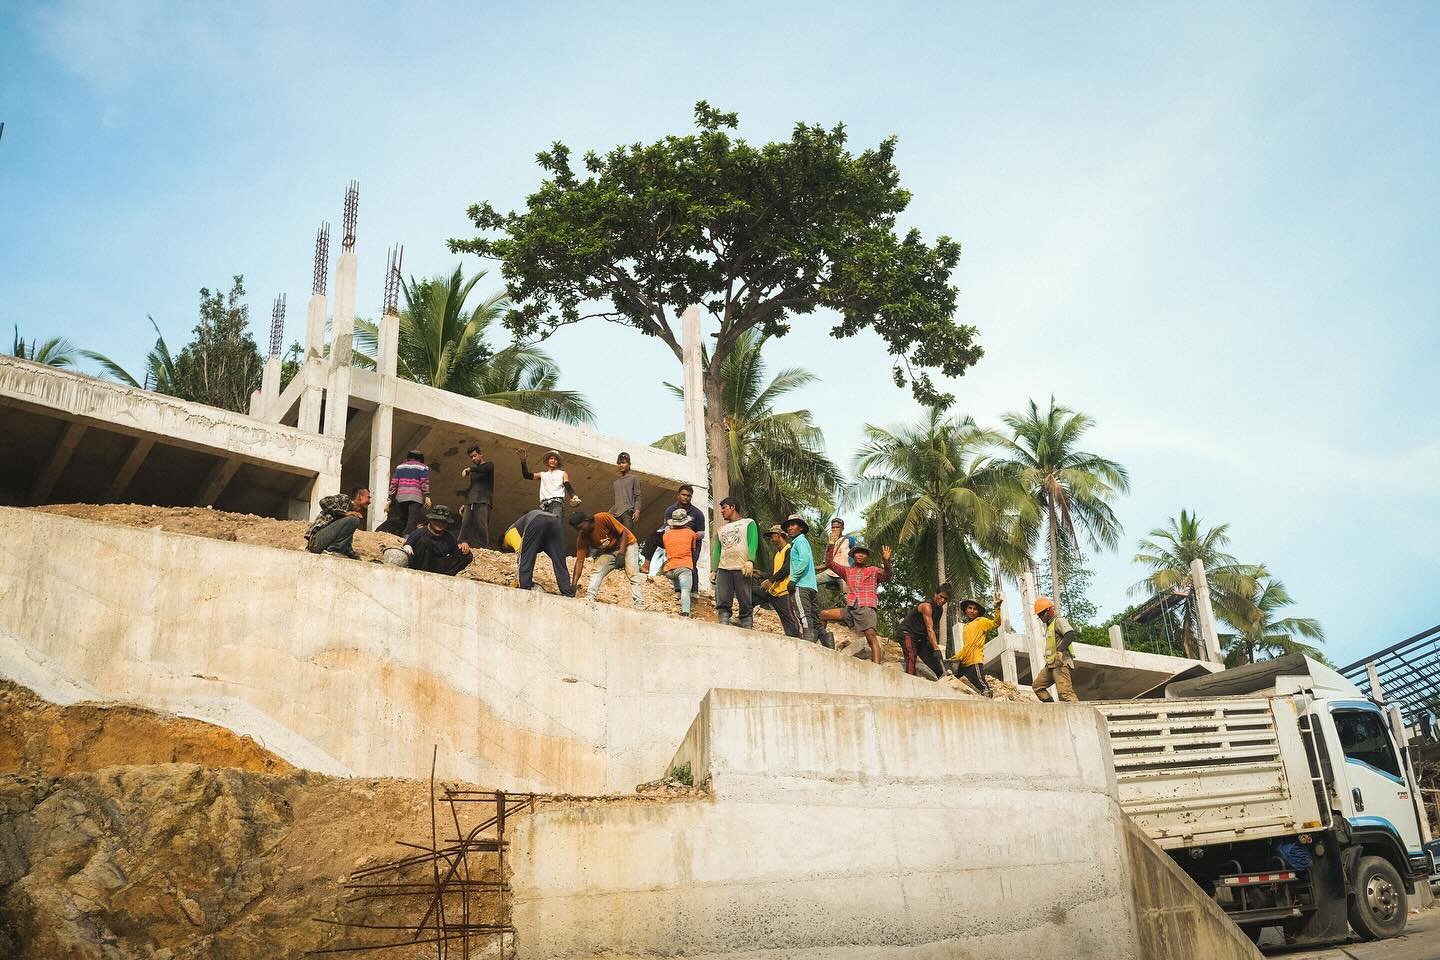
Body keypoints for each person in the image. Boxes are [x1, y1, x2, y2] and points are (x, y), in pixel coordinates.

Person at [820, 544, 893, 663]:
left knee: (870, 636)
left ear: (867, 557)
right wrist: (831, 545)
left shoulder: (873, 570)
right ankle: (824, 647)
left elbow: (888, 576)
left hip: (866, 607)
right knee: (823, 614)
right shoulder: (847, 571)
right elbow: (829, 563)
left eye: (863, 553)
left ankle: (876, 666)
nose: (860, 555)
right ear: (853, 555)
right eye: (858, 552)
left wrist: (886, 561)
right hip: (851, 608)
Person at [570, 510, 644, 610]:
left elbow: (624, 532)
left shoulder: (602, 517)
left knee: (632, 573)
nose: (580, 531)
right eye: (577, 529)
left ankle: (639, 603)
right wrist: (573, 584)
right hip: (611, 550)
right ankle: (590, 596)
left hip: (628, 544)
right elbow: (579, 561)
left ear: (587, 520)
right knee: (597, 569)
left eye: (581, 527)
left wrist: (621, 554)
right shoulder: (583, 537)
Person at [501, 508, 574, 596]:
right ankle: (567, 592)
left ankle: (524, 588)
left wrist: (518, 580)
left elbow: (522, 554)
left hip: (537, 520)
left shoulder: (508, 534)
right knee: (559, 561)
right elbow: (530, 554)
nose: (510, 551)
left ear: (503, 545)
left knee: (525, 556)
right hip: (555, 521)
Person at [710, 497, 758, 628]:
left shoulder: (748, 523)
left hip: (742, 566)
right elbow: (717, 551)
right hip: (724, 567)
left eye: (724, 508)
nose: (722, 511)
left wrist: (750, 560)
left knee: (744, 598)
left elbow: (753, 542)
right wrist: (714, 570)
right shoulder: (721, 529)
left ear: (733, 507)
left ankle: (747, 624)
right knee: (723, 598)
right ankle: (723, 623)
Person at [640, 484, 705, 574]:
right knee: (653, 536)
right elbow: (667, 528)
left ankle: (693, 582)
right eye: (683, 495)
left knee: (691, 566)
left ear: (691, 497)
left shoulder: (698, 513)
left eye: (688, 496)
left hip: (690, 542)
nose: (686, 497)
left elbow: (702, 533)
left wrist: (689, 535)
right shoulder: (670, 510)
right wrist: (674, 536)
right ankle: (646, 566)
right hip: (672, 538)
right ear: (678, 495)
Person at [783, 514, 824, 645]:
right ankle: (827, 644)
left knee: (804, 615)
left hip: (801, 585)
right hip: (811, 586)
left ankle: (808, 644)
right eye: (788, 526)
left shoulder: (799, 541)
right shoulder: (803, 541)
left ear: (800, 527)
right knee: (815, 618)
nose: (789, 528)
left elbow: (804, 560)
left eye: (793, 525)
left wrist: (793, 579)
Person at [756, 524, 802, 638]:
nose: (771, 539)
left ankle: (797, 638)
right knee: (751, 592)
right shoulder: (777, 554)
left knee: (789, 619)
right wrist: (761, 574)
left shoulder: (789, 550)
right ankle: (745, 618)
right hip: (774, 591)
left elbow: (786, 569)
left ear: (777, 535)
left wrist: (770, 580)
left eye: (772, 536)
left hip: (784, 592)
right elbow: (775, 571)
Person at [899, 583, 952, 679]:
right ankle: (910, 681)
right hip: (907, 633)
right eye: (941, 596)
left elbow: (932, 630)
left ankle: (942, 680)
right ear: (936, 594)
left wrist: (934, 649)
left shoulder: (939, 610)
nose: (943, 600)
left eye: (946, 599)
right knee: (911, 656)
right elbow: (929, 629)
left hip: (920, 638)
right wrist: (936, 648)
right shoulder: (927, 606)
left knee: (935, 662)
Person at [952, 594, 1003, 694]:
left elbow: (996, 623)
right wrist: (955, 657)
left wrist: (997, 608)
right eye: (970, 608)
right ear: (965, 610)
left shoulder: (981, 621)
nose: (972, 611)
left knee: (983, 686)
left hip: (974, 661)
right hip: (964, 662)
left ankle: (988, 699)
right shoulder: (966, 626)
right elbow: (966, 646)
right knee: (951, 678)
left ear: (978, 612)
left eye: (975, 609)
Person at [402, 505, 473, 576]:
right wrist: (408, 546)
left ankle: (445, 576)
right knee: (425, 541)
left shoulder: (448, 537)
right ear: (431, 520)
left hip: (437, 565)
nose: (440, 524)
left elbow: (455, 553)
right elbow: (409, 543)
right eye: (437, 520)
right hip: (421, 565)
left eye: (443, 522)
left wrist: (463, 546)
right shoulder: (420, 532)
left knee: (467, 555)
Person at [1031, 597, 1079, 703]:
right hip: (1051, 664)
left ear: (1049, 610)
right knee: (1037, 686)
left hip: (1061, 663)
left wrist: (1060, 652)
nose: (1041, 617)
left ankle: (1079, 712)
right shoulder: (1049, 626)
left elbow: (1070, 634)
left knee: (1065, 693)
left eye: (1042, 614)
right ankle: (1052, 707)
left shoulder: (1058, 621)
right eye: (1039, 615)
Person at [305, 487, 371, 559]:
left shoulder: (348, 519)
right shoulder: (345, 499)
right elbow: (323, 501)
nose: (370, 502)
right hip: (316, 542)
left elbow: (343, 541)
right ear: (360, 497)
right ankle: (335, 551)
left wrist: (354, 556)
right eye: (368, 497)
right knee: (354, 520)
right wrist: (345, 513)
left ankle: (334, 551)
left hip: (325, 544)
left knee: (353, 520)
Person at [660, 508, 701, 617]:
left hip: (669, 570)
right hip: (684, 568)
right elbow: (693, 550)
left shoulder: (665, 535)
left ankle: (676, 590)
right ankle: (685, 613)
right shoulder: (691, 533)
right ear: (686, 522)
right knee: (686, 591)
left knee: (675, 571)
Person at [520, 449, 580, 517]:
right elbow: (526, 475)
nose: (553, 461)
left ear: (558, 462)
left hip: (556, 503)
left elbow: (567, 484)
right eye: (551, 458)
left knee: (554, 521)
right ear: (548, 461)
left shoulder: (562, 473)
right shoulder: (542, 474)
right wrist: (523, 462)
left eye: (556, 459)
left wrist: (574, 496)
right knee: (540, 522)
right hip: (543, 505)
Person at [459, 444, 495, 549]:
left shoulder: (489, 465)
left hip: (483, 500)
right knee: (465, 522)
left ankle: (483, 547)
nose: (473, 459)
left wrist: (469, 469)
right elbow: (471, 487)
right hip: (470, 500)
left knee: (481, 523)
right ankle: (461, 544)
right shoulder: (474, 472)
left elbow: (484, 469)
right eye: (471, 457)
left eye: (475, 456)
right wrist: (464, 503)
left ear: (480, 454)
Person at [388, 450, 431, 535]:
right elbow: (424, 482)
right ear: (420, 458)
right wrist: (427, 496)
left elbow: (394, 483)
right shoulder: (423, 467)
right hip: (415, 497)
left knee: (403, 519)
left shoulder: (399, 467)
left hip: (401, 497)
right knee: (412, 519)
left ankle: (398, 535)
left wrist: (389, 499)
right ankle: (407, 537)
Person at [817, 518, 858, 598]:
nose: (835, 529)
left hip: (844, 574)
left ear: (842, 528)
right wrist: (812, 568)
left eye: (837, 527)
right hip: (830, 573)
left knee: (848, 597)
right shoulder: (829, 543)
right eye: (833, 527)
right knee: (810, 583)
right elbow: (826, 563)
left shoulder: (850, 540)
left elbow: (857, 556)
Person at [610, 452, 642, 532]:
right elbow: (617, 500)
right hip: (616, 515)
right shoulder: (616, 483)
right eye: (619, 463)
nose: (621, 465)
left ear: (629, 464)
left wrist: (637, 510)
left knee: (627, 536)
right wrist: (610, 512)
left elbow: (637, 496)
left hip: (627, 513)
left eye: (623, 463)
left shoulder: (635, 478)